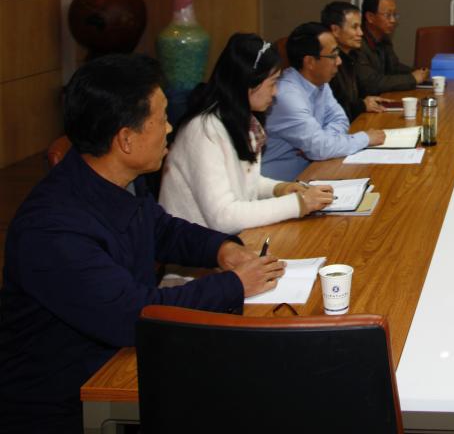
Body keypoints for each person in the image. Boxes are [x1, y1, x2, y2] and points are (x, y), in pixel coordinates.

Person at [0, 54, 284, 433]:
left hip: (121, 363)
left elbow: (162, 230)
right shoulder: (52, 230)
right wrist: (233, 285)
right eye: (162, 118)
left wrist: (221, 249)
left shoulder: (114, 180)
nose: (170, 127)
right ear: (126, 139)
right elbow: (132, 315)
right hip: (69, 403)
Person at [159, 33, 334, 234]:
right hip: (194, 247)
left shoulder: (239, 119)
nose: (275, 92)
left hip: (225, 240)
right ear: (249, 83)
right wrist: (298, 204)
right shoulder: (203, 130)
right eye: (272, 83)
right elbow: (223, 217)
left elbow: (245, 183)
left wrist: (279, 189)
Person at [263, 22, 385, 181]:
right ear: (310, 62)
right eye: (333, 56)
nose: (339, 61)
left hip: (316, 171)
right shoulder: (286, 96)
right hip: (281, 184)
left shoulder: (320, 82)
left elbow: (340, 119)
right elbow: (320, 148)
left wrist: (323, 143)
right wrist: (365, 138)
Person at [321, 1, 389, 120]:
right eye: (354, 27)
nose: (361, 33)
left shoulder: (352, 56)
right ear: (335, 30)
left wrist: (364, 101)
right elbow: (331, 110)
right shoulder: (326, 63)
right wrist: (361, 105)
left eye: (360, 27)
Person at [355, 0, 429, 94]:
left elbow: (394, 68)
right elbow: (371, 83)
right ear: (370, 17)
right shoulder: (357, 43)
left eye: (394, 15)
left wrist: (418, 72)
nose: (393, 20)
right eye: (388, 15)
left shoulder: (383, 39)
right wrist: (412, 78)